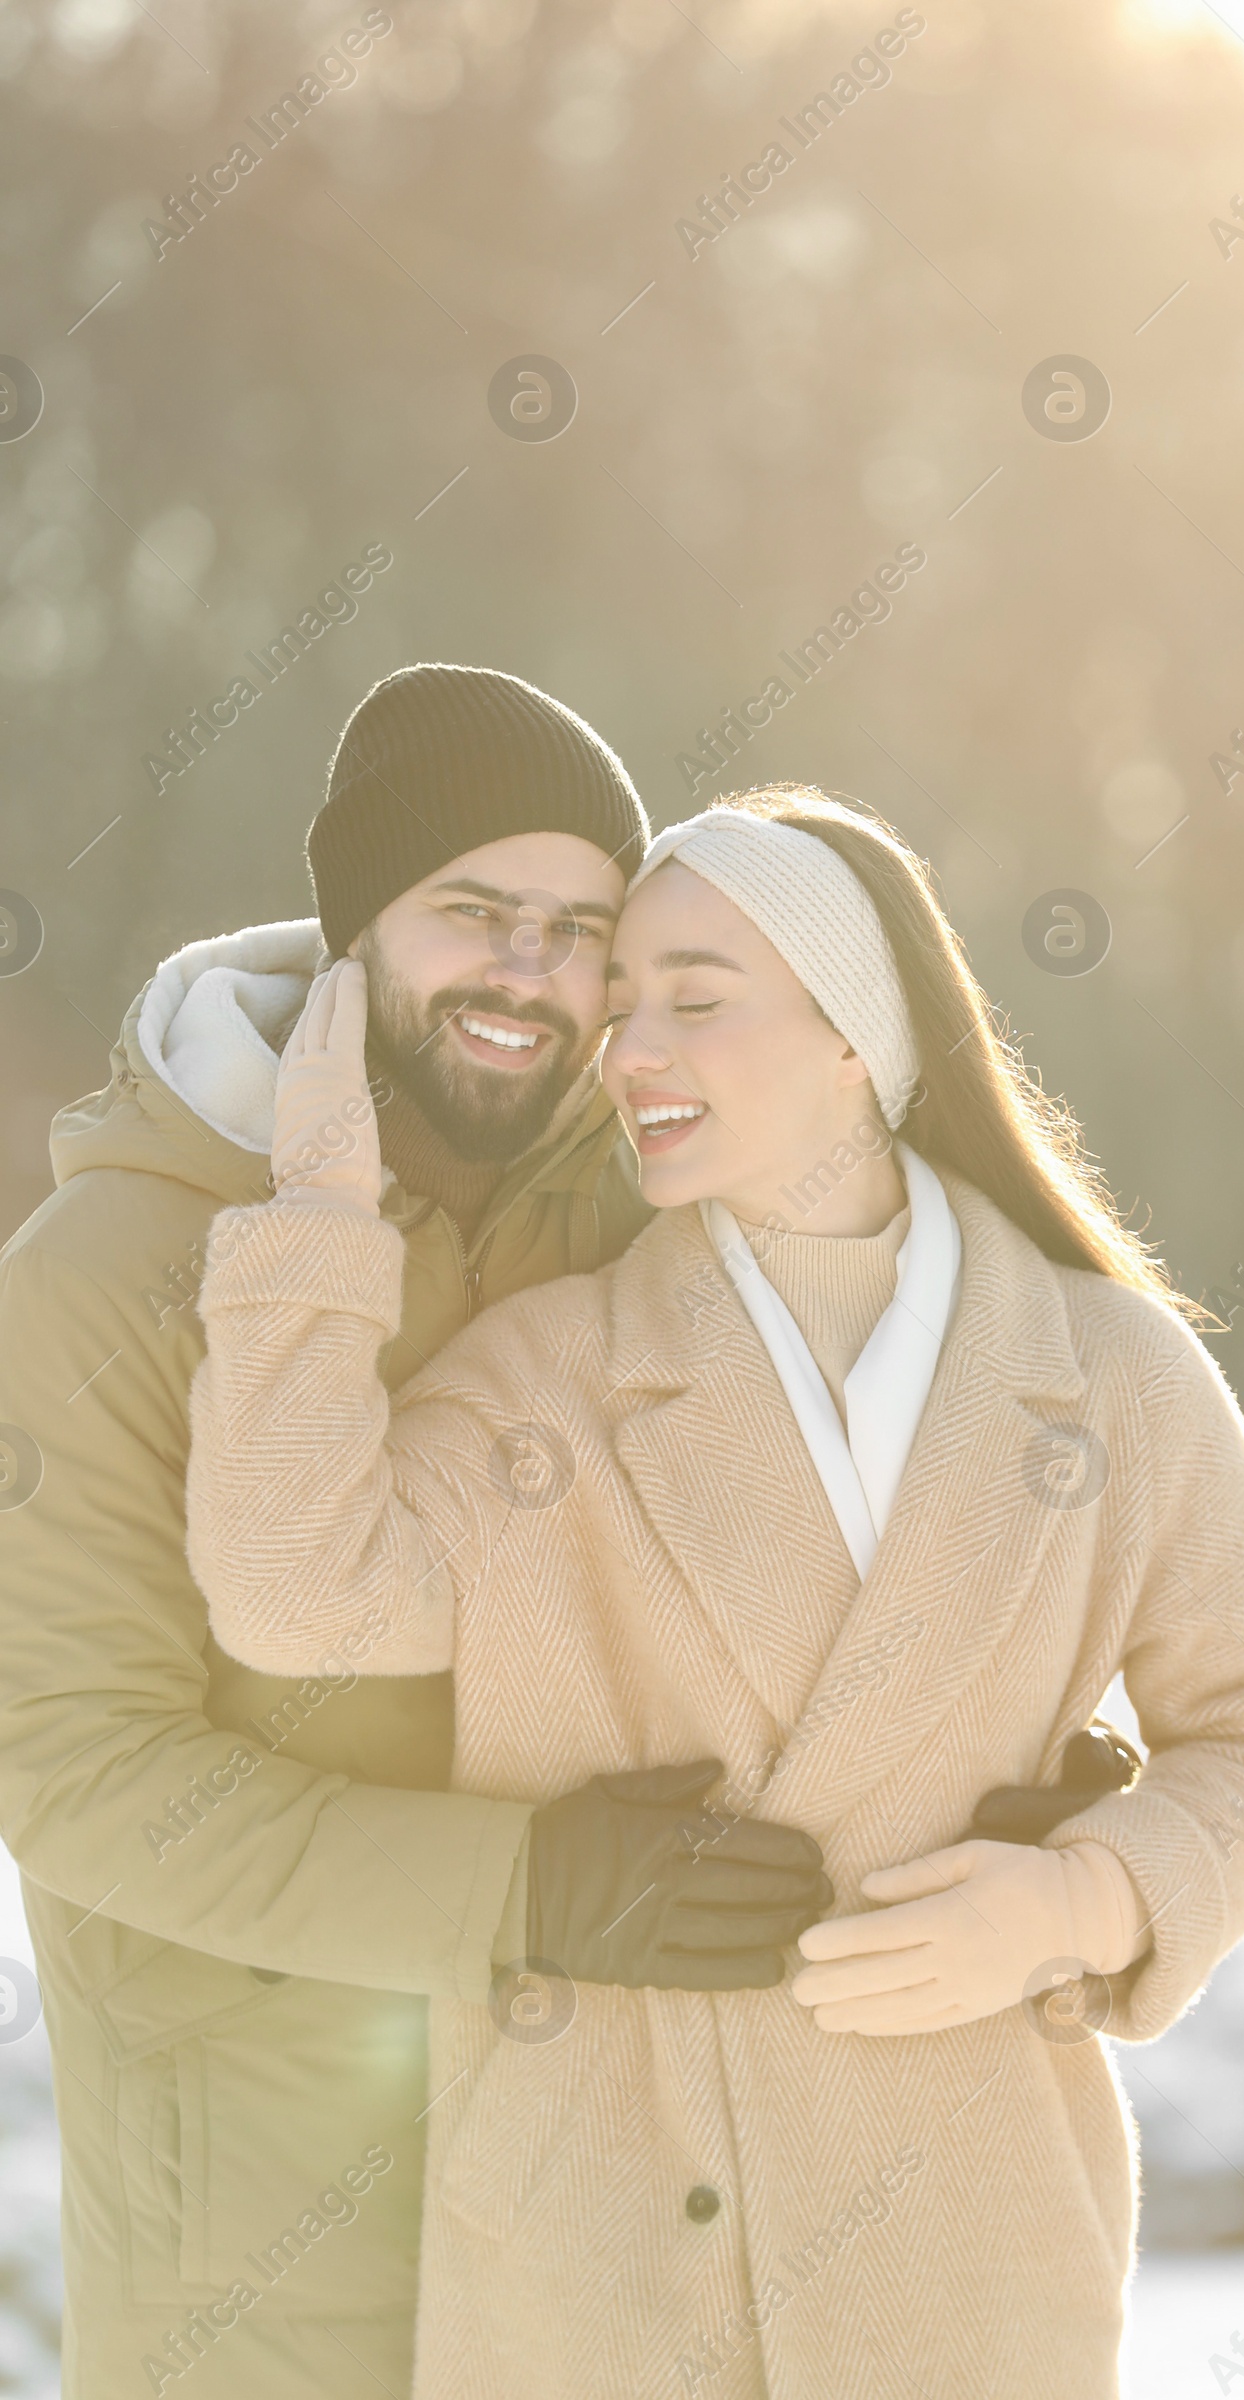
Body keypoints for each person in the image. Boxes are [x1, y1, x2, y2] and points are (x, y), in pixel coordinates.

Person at [186, 788, 1244, 2400]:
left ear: (856, 1037)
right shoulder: (551, 1372)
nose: (628, 1049)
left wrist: (1083, 1904)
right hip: (594, 2271)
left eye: (697, 1000)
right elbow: (288, 1598)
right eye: (623, 1010)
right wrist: (314, 1205)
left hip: (973, 2270)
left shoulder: (1117, 1378)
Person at [0, 671, 829, 2400]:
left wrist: (1017, 1749)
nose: (528, 970)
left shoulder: (643, 1217)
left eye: (578, 927)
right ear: (355, 926)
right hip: (267, 2249)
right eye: (472, 912)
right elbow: (71, 1772)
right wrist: (519, 1889)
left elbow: (825, 1532)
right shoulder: (96, 1282)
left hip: (612, 2210)